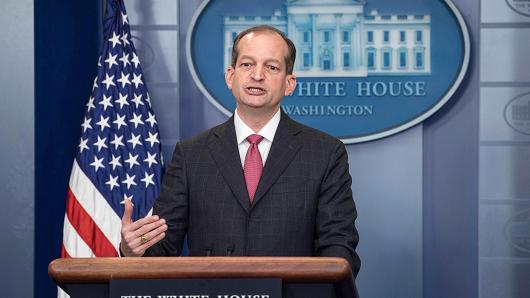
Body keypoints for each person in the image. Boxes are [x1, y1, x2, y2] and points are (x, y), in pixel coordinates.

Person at [120, 25, 360, 277]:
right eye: (247, 64)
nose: (257, 75)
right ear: (230, 76)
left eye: (272, 67)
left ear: (289, 84)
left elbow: (339, 248)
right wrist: (133, 249)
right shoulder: (191, 155)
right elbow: (163, 248)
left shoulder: (324, 153)